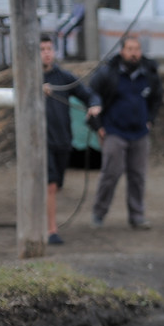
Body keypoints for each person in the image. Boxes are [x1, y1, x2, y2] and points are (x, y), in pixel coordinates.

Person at [87, 34, 163, 230]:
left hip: (139, 133)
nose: (133, 54)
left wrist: (150, 121)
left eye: (136, 49)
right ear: (122, 51)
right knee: (110, 174)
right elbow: (92, 94)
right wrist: (98, 125)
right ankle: (99, 213)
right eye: (129, 49)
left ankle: (137, 216)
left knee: (138, 176)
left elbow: (157, 99)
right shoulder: (108, 73)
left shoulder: (149, 74)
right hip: (114, 132)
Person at [40, 35, 100, 245]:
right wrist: (35, 91)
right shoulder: (27, 77)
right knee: (50, 185)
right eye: (41, 49)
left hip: (62, 139)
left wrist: (94, 105)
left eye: (49, 48)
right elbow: (16, 93)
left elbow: (88, 94)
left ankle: (44, 223)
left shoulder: (63, 77)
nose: (46, 53)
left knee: (56, 185)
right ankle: (51, 230)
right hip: (39, 142)